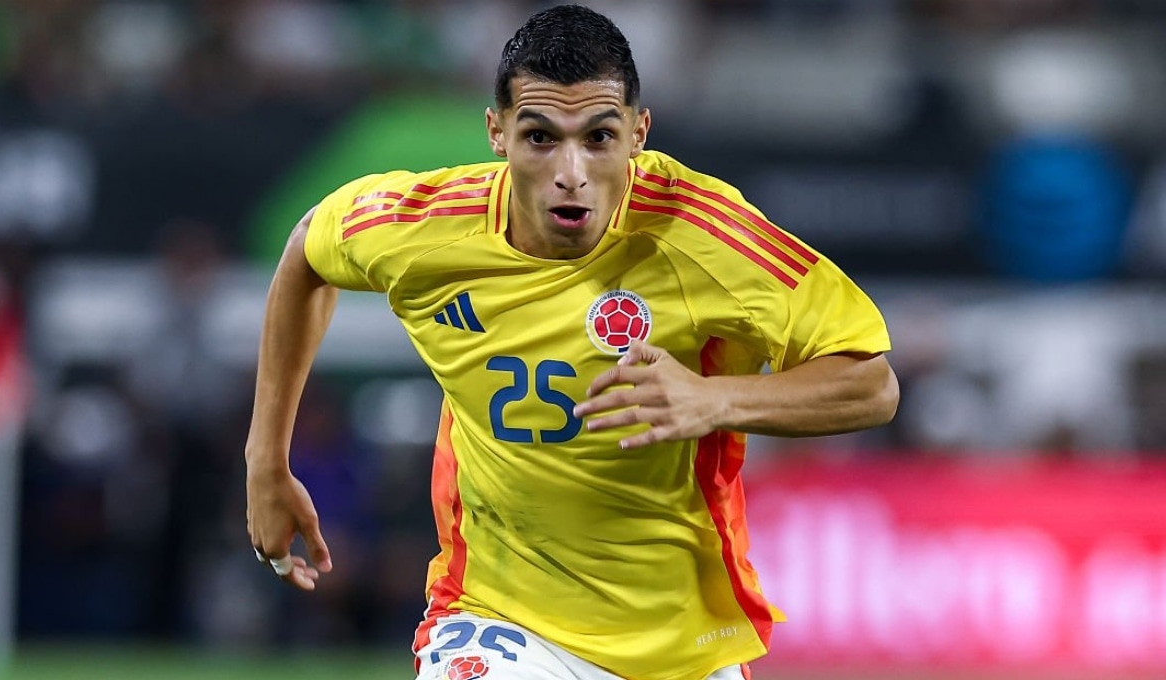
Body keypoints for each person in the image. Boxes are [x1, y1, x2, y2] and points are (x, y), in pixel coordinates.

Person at [244, 5, 899, 679]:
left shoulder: (707, 235)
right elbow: (308, 251)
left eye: (599, 137)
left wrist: (716, 399)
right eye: (540, 137)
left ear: (638, 133)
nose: (571, 171)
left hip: (679, 646)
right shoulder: (427, 227)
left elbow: (872, 384)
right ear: (496, 133)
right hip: (497, 619)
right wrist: (265, 459)